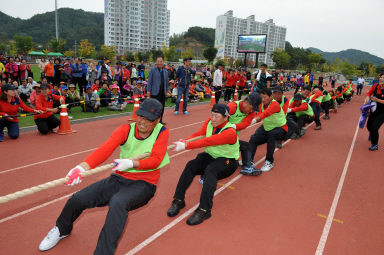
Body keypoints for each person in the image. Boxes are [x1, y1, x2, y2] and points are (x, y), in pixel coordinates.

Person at [38, 98, 169, 254]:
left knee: (118, 203)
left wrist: (132, 164)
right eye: (141, 116)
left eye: (149, 119)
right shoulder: (126, 129)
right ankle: (62, 229)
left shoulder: (162, 132)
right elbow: (105, 149)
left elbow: (156, 160)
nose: (142, 122)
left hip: (144, 184)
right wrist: (81, 167)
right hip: (119, 179)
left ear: (158, 120)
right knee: (78, 198)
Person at [167, 104, 239, 225]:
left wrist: (186, 146)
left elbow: (208, 141)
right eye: (212, 115)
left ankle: (204, 210)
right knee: (191, 165)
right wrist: (185, 141)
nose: (213, 119)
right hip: (211, 156)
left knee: (210, 171)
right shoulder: (210, 123)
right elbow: (198, 134)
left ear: (226, 117)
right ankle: (178, 200)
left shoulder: (230, 132)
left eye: (217, 116)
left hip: (228, 161)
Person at [242, 88, 287, 174]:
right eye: (261, 98)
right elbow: (254, 112)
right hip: (267, 127)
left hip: (280, 128)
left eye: (265, 97)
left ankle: (269, 162)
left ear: (271, 96)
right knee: (253, 138)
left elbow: (265, 114)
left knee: (271, 135)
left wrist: (254, 120)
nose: (263, 100)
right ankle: (249, 161)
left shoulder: (275, 104)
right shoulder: (261, 104)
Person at [364, 73, 384, 151]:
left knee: (374, 127)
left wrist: (377, 100)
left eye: (383, 78)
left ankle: (375, 144)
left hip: (382, 112)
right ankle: (372, 133)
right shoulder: (376, 85)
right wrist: (367, 99)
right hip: (374, 110)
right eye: (381, 77)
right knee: (369, 126)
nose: (381, 78)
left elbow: (377, 100)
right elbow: (368, 93)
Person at [146, 56, 169, 124]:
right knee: (154, 108)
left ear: (163, 62)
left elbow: (166, 82)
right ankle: (152, 121)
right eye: (158, 61)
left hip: (162, 92)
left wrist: (167, 91)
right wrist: (148, 91)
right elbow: (150, 81)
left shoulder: (165, 71)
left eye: (161, 61)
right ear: (156, 62)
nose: (159, 63)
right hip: (154, 92)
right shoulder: (152, 70)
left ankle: (160, 120)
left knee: (161, 107)